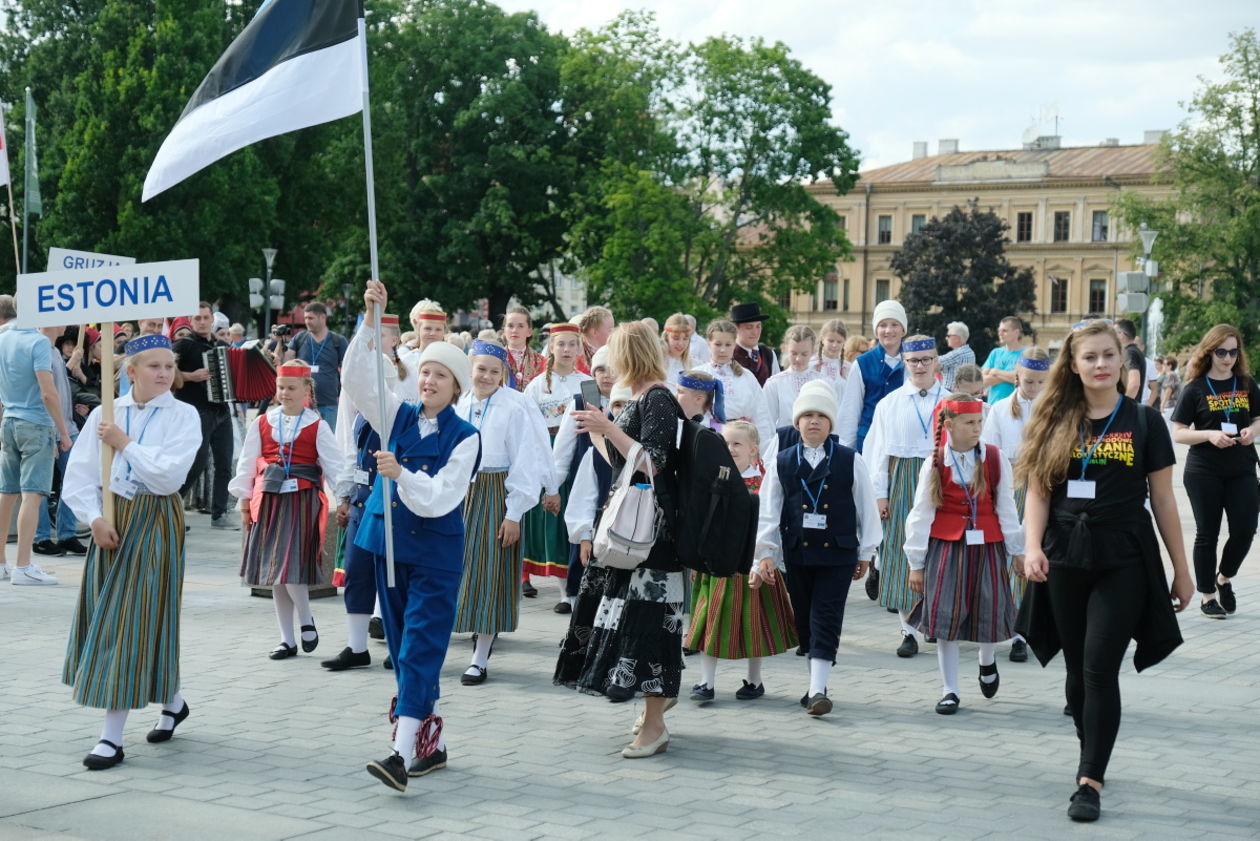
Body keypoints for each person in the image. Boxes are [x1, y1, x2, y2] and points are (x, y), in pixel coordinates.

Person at [1018, 320, 1192, 823]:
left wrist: (1182, 571)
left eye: (1108, 355)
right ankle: (1091, 746)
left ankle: (1089, 780)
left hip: (1125, 557)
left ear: (1123, 360)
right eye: (1089, 356)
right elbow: (1038, 491)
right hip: (1065, 555)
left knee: (1099, 667)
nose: (1100, 364)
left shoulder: (1144, 421)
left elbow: (1162, 500)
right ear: (1073, 365)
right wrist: (1032, 547)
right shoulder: (1054, 418)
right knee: (1077, 672)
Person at [349, 280, 481, 791]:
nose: (428, 380)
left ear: (456, 387)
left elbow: (441, 498)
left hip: (435, 555)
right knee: (407, 648)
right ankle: (434, 743)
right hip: (388, 548)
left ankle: (399, 755)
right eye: (425, 371)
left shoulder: (466, 438)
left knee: (419, 650)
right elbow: (359, 379)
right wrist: (369, 316)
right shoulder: (397, 414)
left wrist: (399, 472)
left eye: (440, 375)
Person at [61, 334, 203, 769]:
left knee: (129, 617)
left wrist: (124, 443)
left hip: (156, 518)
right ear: (131, 371)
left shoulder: (184, 415)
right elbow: (79, 475)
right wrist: (94, 518)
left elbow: (168, 479)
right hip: (112, 517)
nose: (164, 373)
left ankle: (111, 737)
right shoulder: (107, 412)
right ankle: (173, 700)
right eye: (154, 366)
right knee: (121, 613)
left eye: (168, 366)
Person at [556, 321, 684, 758]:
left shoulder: (659, 397)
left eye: (614, 355)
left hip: (651, 540)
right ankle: (651, 715)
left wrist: (609, 428)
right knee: (633, 622)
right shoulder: (644, 398)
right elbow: (619, 460)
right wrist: (597, 426)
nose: (609, 366)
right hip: (634, 536)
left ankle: (655, 724)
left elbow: (654, 462)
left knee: (648, 627)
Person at [754, 385, 880, 715]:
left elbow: (866, 505)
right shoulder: (782, 461)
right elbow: (769, 509)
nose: (814, 421)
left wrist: (867, 552)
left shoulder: (850, 459)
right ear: (797, 422)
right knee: (805, 620)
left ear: (831, 423)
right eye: (807, 415)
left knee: (827, 615)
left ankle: (819, 689)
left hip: (838, 553)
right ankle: (813, 685)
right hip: (797, 552)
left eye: (821, 416)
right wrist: (765, 551)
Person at [904, 395, 1024, 715]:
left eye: (979, 423)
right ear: (950, 426)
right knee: (946, 617)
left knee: (989, 606)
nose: (976, 429)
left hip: (987, 544)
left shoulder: (995, 459)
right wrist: (916, 563)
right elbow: (920, 514)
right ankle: (950, 690)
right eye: (969, 423)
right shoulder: (934, 463)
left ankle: (987, 661)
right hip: (946, 545)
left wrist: (1017, 551)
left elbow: (1006, 508)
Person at [452, 340, 552, 685]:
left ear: (504, 374)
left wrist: (514, 512)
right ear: (470, 369)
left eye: (495, 371)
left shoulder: (515, 405)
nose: (487, 376)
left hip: (496, 491)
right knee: (453, 568)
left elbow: (527, 458)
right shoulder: (460, 401)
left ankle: (480, 655)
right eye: (481, 369)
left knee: (490, 570)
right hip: (459, 490)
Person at [231, 361, 342, 660]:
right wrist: (243, 500)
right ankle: (287, 638)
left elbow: (333, 464)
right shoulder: (263, 421)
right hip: (270, 499)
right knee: (275, 573)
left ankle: (305, 618)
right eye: (281, 388)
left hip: (301, 500)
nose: (285, 393)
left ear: (307, 389)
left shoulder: (317, 425)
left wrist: (345, 497)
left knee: (289, 566)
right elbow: (247, 460)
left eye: (291, 388)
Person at [687, 421, 798, 703]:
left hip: (753, 564)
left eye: (737, 444)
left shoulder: (763, 485)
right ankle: (705, 682)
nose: (730, 449)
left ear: (754, 450)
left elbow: (770, 526)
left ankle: (754, 680)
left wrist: (764, 559)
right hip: (716, 565)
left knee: (754, 624)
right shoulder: (717, 480)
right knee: (709, 621)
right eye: (726, 444)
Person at [1170, 324, 1260, 619]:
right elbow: (1179, 433)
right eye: (1221, 351)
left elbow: (1259, 419)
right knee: (1207, 534)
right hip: (1204, 470)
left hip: (1242, 467)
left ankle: (1224, 578)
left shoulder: (1246, 383)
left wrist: (1251, 431)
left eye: (1234, 352)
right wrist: (1208, 435)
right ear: (1210, 352)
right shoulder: (1194, 388)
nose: (1228, 358)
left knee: (1245, 530)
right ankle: (1208, 595)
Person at [864, 335, 944, 657]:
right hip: (901, 479)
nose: (920, 365)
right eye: (914, 361)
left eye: (926, 359)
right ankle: (907, 629)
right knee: (899, 551)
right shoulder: (890, 403)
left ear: (936, 361)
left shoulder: (950, 400)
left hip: (941, 477)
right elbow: (878, 452)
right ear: (906, 364)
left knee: (939, 548)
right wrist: (880, 495)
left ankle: (933, 620)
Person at [981, 347, 1051, 661]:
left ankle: (1029, 630)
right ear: (1017, 376)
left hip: (1044, 485)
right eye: (1028, 381)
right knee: (1013, 555)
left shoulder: (1053, 409)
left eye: (1039, 382)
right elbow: (989, 450)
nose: (1033, 388)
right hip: (1009, 485)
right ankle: (1012, 627)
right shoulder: (998, 409)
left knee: (1038, 555)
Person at [0, 317, 74, 585]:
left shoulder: (4, 336)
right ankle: (23, 565)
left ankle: (2, 563)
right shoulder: (39, 342)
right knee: (32, 495)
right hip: (36, 423)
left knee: (7, 493)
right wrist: (62, 433)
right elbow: (48, 393)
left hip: (10, 421)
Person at [521, 323, 588, 594]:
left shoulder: (585, 382)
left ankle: (567, 591)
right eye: (561, 344)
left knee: (569, 517)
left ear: (580, 348)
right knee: (547, 517)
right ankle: (549, 582)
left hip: (577, 452)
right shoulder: (537, 386)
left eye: (573, 344)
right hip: (545, 451)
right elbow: (526, 425)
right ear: (551, 347)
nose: (567, 349)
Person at [173, 302, 237, 530]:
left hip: (221, 411)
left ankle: (219, 514)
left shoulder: (221, 345)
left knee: (224, 465)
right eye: (197, 318)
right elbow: (167, 372)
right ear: (191, 321)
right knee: (196, 463)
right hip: (195, 411)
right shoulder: (183, 345)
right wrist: (190, 376)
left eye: (205, 318)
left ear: (212, 319)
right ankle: (170, 506)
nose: (201, 322)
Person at [33, 325, 93, 557]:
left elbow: (59, 388)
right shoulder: (39, 348)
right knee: (41, 486)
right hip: (52, 427)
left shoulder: (54, 351)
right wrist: (57, 431)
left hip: (66, 425)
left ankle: (67, 533)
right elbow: (44, 394)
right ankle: (41, 537)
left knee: (74, 479)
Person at [836, 300, 907, 452]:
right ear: (876, 330)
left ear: (903, 329)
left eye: (894, 324)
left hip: (903, 441)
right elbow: (851, 409)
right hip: (870, 441)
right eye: (883, 325)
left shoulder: (913, 361)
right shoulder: (862, 363)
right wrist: (845, 450)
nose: (888, 330)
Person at [699, 319, 775, 450]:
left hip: (743, 446)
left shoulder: (746, 376)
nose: (723, 350)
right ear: (708, 344)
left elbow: (761, 415)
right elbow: (691, 414)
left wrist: (763, 451)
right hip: (710, 442)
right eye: (718, 344)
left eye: (728, 345)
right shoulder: (699, 375)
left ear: (735, 345)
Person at [285, 302, 348, 430]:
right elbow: (287, 361)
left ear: (323, 317)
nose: (307, 321)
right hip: (302, 403)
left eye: (311, 318)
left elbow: (347, 369)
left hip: (329, 403)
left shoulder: (338, 341)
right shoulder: (300, 338)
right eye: (306, 318)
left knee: (329, 441)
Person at [763, 325, 837, 429]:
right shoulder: (774, 383)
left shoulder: (825, 382)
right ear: (785, 349)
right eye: (794, 353)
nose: (798, 359)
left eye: (804, 354)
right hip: (785, 442)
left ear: (813, 351)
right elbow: (767, 422)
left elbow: (831, 419)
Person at [397, 299, 447, 401]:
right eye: (428, 328)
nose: (433, 333)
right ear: (419, 329)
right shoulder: (406, 360)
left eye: (438, 329)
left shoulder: (450, 361)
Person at [729, 302, 780, 386]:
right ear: (735, 328)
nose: (755, 332)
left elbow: (777, 386)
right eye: (749, 327)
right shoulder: (728, 354)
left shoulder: (768, 354)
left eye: (758, 326)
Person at [981, 316, 1026, 404]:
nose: (1000, 334)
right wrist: (1011, 376)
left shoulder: (1026, 353)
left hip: (1016, 407)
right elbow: (982, 381)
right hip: (993, 406)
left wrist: (995, 372)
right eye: (999, 330)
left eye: (1004, 331)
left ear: (1016, 332)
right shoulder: (995, 353)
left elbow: (1022, 379)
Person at [501, 305, 546, 391]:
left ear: (529, 332)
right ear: (504, 331)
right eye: (510, 326)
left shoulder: (542, 362)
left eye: (520, 326)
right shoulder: (496, 359)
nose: (515, 330)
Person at [1113, 319, 1148, 401]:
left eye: (1114, 333)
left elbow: (1134, 384)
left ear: (1122, 335)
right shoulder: (1135, 351)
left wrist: (1124, 405)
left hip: (1128, 408)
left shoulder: (1129, 353)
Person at [574, 305, 614, 375]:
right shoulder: (576, 353)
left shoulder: (614, 351)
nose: (613, 333)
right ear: (594, 332)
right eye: (610, 330)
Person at [937, 322, 975, 391]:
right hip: (962, 392)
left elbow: (932, 361)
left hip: (951, 393)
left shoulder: (958, 353)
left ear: (957, 337)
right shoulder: (970, 352)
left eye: (948, 336)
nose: (946, 338)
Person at [812, 318, 850, 383]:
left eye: (839, 342)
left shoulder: (848, 368)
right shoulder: (812, 364)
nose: (834, 345)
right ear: (822, 339)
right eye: (831, 341)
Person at [662, 313, 692, 386]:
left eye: (685, 338)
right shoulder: (656, 364)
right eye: (676, 338)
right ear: (666, 337)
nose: (681, 343)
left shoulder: (693, 365)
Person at [1160, 356, 1181, 422]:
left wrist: (1162, 404)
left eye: (1164, 364)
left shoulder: (1170, 375)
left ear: (1170, 366)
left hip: (1169, 406)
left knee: (1168, 429)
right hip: (1171, 406)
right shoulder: (1173, 375)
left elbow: (1168, 390)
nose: (1162, 366)